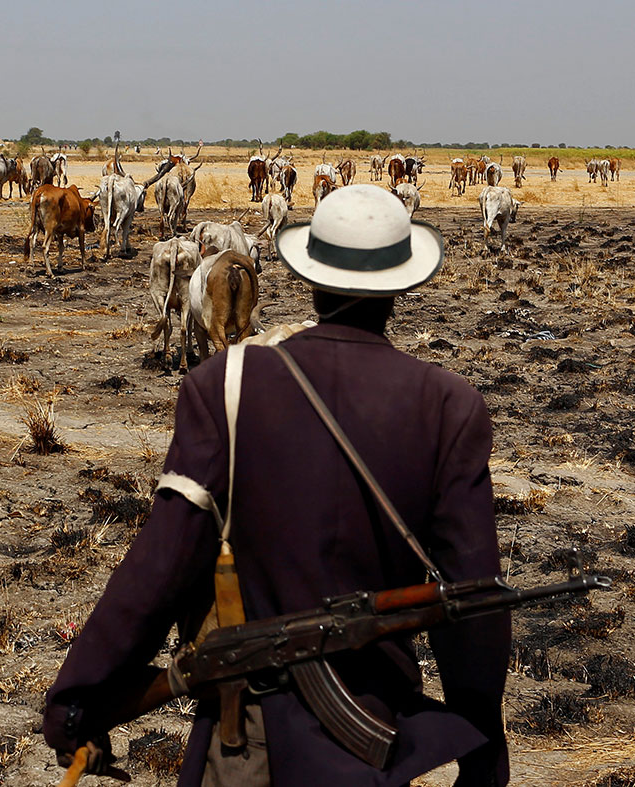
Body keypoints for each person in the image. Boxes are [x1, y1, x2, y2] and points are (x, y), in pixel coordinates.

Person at [43, 185, 509, 786]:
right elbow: (473, 602)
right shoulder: (450, 406)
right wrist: (482, 749)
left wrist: (79, 694)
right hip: (377, 734)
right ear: (402, 285)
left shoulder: (227, 385)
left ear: (307, 277)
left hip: (247, 745)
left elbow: (161, 564)